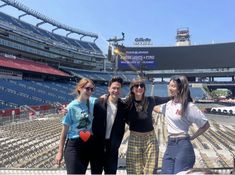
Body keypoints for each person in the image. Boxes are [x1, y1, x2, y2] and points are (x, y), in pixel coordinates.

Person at [153, 75, 210, 174]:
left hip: (183, 145)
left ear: (180, 89)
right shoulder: (167, 105)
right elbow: (154, 107)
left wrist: (192, 137)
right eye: (169, 85)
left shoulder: (189, 107)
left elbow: (205, 125)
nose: (170, 88)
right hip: (170, 145)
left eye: (173, 86)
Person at [124, 77, 170, 174]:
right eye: (136, 86)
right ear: (132, 88)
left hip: (150, 138)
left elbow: (168, 98)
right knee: (134, 168)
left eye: (142, 86)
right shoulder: (127, 103)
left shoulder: (151, 100)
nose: (139, 88)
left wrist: (185, 97)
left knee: (151, 167)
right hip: (134, 138)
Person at [55, 78, 96, 174]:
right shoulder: (71, 107)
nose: (90, 91)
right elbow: (64, 132)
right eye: (87, 88)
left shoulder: (93, 102)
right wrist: (59, 152)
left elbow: (105, 98)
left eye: (92, 89)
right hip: (74, 146)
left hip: (87, 145)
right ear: (80, 88)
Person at [91, 76, 128, 174]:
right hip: (98, 145)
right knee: (96, 172)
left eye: (118, 88)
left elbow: (132, 119)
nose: (116, 90)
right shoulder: (99, 103)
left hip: (112, 147)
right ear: (109, 89)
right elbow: (84, 110)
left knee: (111, 172)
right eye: (114, 88)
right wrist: (68, 110)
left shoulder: (123, 106)